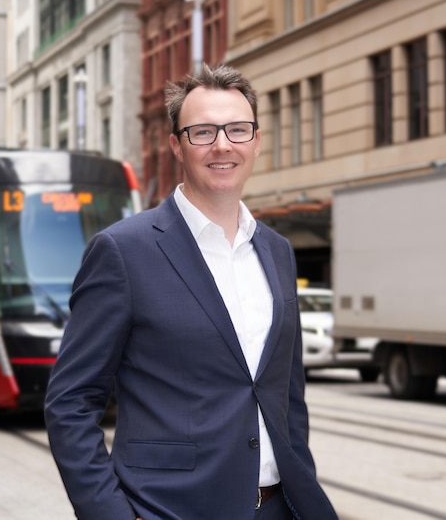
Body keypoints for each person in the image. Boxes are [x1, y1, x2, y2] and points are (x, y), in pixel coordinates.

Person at [44, 64, 338, 520]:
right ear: (176, 146)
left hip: (281, 508)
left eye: (238, 130)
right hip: (171, 509)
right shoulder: (122, 251)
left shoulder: (278, 251)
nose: (223, 145)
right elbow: (71, 403)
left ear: (257, 141)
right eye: (202, 131)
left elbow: (287, 397)